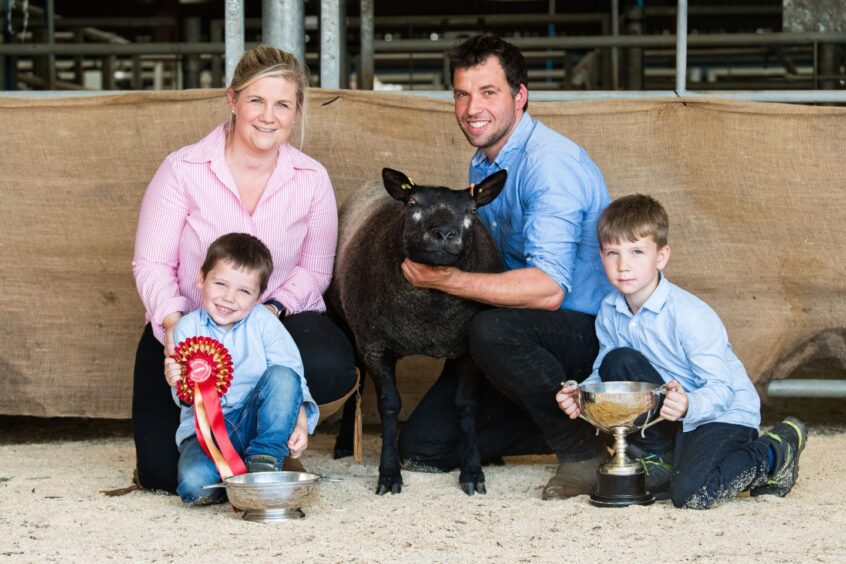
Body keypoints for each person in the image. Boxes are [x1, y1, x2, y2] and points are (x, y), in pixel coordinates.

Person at [398, 34, 614, 499]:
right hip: (525, 334)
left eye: (488, 92)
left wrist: (450, 280)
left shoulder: (549, 165)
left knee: (491, 331)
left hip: (586, 333)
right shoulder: (485, 161)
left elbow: (550, 289)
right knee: (423, 448)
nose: (472, 107)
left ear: (520, 96)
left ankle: (582, 453)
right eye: (462, 94)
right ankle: (610, 430)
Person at [132, 45, 355, 493]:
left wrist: (267, 313)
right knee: (160, 476)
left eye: (282, 104)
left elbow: (314, 272)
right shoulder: (182, 169)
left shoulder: (312, 178)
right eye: (256, 100)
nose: (267, 116)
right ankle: (225, 446)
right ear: (232, 100)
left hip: (274, 318)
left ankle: (268, 443)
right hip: (190, 326)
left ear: (296, 112)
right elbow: (152, 262)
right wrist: (177, 329)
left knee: (329, 365)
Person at [556, 194, 807, 508]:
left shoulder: (689, 315)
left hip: (721, 413)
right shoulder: (610, 310)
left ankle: (774, 450)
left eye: (636, 252)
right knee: (616, 359)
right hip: (670, 412)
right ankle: (658, 457)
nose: (623, 266)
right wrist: (582, 394)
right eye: (612, 253)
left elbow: (722, 390)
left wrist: (689, 405)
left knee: (691, 493)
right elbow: (609, 373)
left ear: (661, 257)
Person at [166, 233, 317, 504]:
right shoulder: (186, 328)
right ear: (201, 279)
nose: (229, 298)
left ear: (259, 296)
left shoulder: (265, 323)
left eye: (244, 291)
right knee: (193, 485)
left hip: (255, 424)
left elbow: (292, 377)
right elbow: (186, 398)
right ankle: (249, 479)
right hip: (206, 435)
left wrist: (301, 422)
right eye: (221, 283)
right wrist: (175, 380)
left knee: (283, 375)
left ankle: (264, 459)